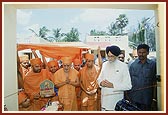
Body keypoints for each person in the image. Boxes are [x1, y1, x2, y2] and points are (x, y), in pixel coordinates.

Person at [97, 45, 132, 111]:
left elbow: (128, 86)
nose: (109, 58)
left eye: (112, 56)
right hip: (104, 102)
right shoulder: (104, 64)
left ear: (116, 56)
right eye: (108, 56)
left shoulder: (123, 66)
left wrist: (113, 85)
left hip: (116, 103)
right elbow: (99, 79)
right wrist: (101, 83)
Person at [126, 44, 157, 111]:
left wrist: (154, 98)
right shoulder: (132, 64)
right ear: (137, 52)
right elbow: (128, 81)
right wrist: (127, 96)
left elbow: (155, 82)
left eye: (143, 52)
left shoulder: (153, 65)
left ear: (148, 53)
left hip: (147, 99)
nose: (141, 54)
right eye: (139, 52)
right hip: (133, 98)